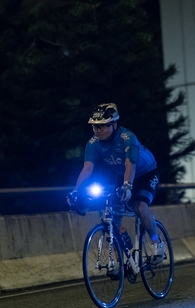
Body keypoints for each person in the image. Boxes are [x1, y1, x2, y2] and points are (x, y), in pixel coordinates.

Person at [67, 103, 164, 263]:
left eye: (103, 126)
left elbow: (130, 165)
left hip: (146, 173)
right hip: (122, 175)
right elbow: (87, 169)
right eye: (95, 127)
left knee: (140, 207)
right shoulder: (93, 143)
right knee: (109, 213)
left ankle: (156, 242)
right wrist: (76, 191)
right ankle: (120, 257)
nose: (99, 130)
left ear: (114, 124)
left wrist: (127, 187)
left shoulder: (127, 138)